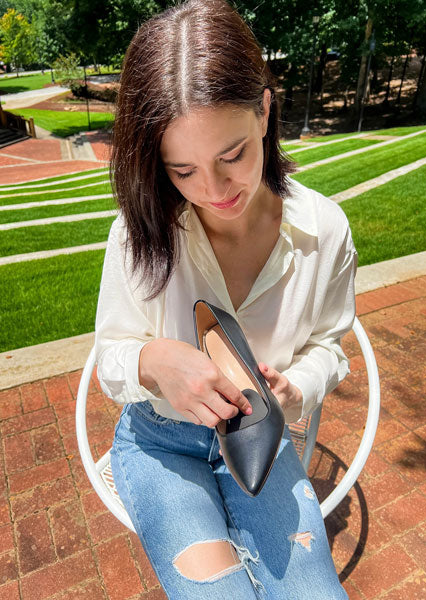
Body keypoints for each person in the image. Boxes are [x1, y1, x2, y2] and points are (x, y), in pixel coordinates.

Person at [95, 1, 357, 598]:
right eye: (181, 170)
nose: (213, 192)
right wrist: (153, 361)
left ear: (265, 109)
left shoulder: (324, 230)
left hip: (259, 442)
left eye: (232, 155)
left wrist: (296, 390)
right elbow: (111, 354)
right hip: (160, 442)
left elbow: (328, 346)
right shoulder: (141, 230)